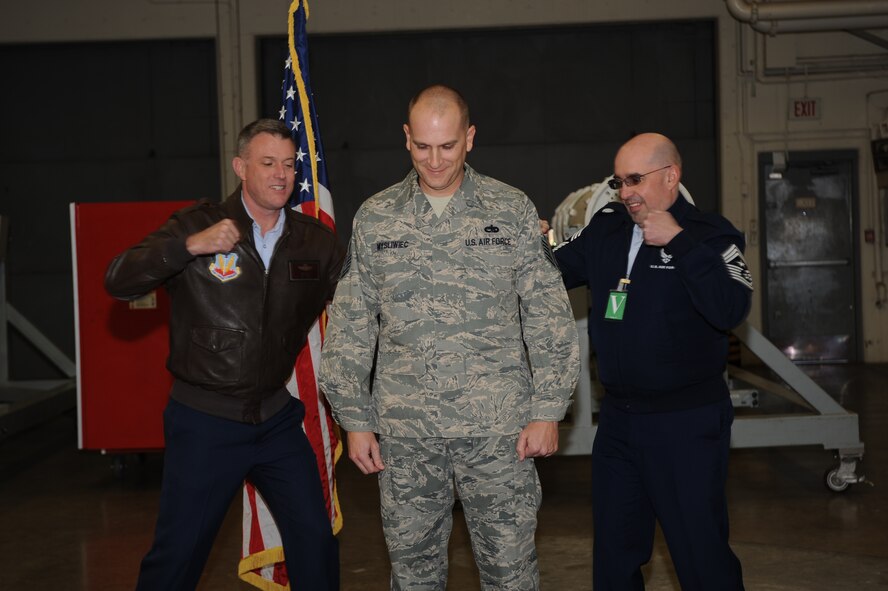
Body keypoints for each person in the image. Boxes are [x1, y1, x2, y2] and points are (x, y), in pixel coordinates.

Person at [318, 84, 580, 590]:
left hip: (500, 434)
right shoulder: (376, 217)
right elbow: (351, 325)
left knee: (510, 573)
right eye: (422, 146)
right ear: (406, 139)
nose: (434, 160)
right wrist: (355, 420)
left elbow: (548, 316)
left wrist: (548, 409)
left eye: (448, 146)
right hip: (406, 435)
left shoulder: (511, 210)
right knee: (413, 577)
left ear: (470, 138)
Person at [105, 118, 343, 590]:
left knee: (316, 542)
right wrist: (188, 247)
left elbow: (366, 299)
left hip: (276, 419)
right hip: (205, 421)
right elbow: (119, 278)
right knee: (178, 554)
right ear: (240, 167)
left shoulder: (314, 241)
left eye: (289, 165)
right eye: (267, 163)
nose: (281, 175)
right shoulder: (197, 224)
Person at [554, 133, 751, 590]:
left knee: (702, 557)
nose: (626, 193)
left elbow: (731, 308)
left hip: (686, 424)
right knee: (614, 559)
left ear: (671, 175)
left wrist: (680, 244)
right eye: (619, 181)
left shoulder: (710, 234)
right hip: (619, 424)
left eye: (636, 180)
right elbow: (552, 268)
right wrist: (523, 245)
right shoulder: (608, 228)